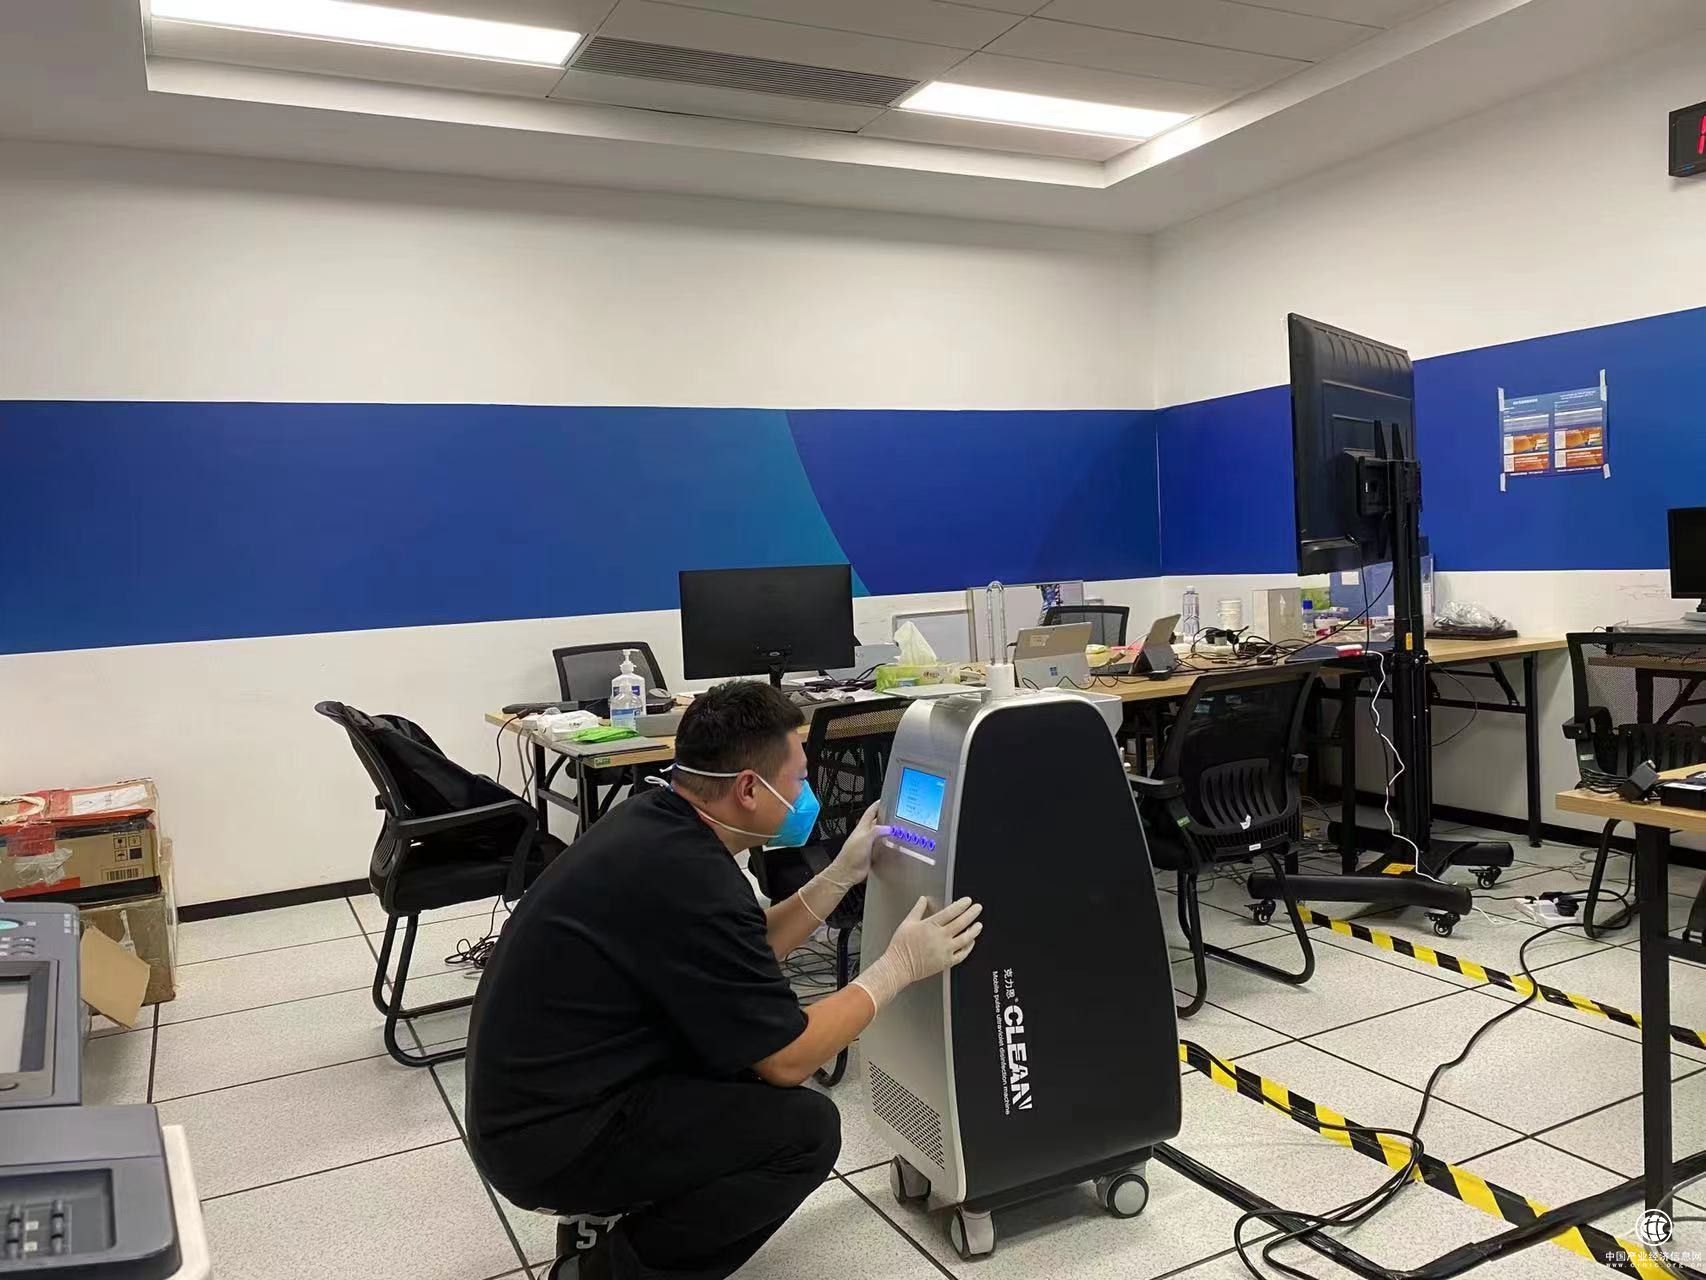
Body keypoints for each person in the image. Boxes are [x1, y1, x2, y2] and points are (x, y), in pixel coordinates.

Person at [465, 680, 984, 1280]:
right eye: (799, 779)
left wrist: (839, 876)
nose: (806, 795)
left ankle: (606, 1214)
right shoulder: (693, 877)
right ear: (748, 789)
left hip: (538, 1101)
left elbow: (744, 949)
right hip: (550, 1141)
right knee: (804, 1133)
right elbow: (788, 1058)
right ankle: (604, 1271)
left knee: (735, 1060)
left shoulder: (657, 822)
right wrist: (897, 969)